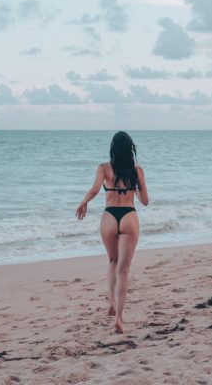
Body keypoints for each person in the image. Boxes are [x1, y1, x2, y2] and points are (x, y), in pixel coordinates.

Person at [75, 131, 149, 333]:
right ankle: (119, 318)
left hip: (109, 217)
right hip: (129, 216)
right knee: (124, 269)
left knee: (112, 261)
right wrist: (133, 187)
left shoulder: (104, 168)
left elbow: (94, 190)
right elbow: (145, 201)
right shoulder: (137, 170)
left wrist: (83, 203)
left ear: (113, 149)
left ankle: (111, 304)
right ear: (130, 149)